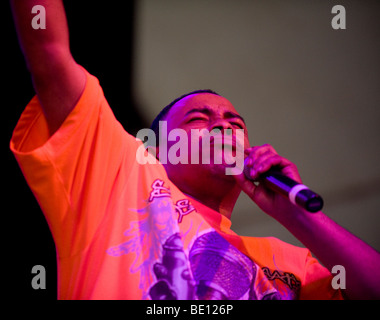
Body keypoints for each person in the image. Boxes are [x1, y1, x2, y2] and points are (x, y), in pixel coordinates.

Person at [9, 0, 380, 300]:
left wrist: (299, 217)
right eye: (198, 119)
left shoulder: (293, 263)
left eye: (236, 123)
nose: (223, 125)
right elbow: (50, 50)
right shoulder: (120, 180)